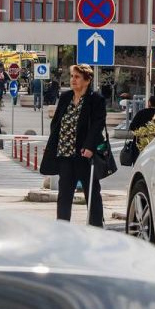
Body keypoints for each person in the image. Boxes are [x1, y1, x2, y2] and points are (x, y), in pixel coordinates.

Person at [40, 64, 107, 227]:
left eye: (77, 77)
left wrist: (90, 146)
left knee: (92, 193)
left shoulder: (95, 100)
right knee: (64, 194)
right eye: (72, 76)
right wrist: (53, 145)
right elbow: (56, 123)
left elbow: (97, 125)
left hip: (84, 155)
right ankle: (62, 228)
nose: (73, 80)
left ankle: (96, 227)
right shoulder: (65, 97)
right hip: (65, 154)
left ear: (87, 80)